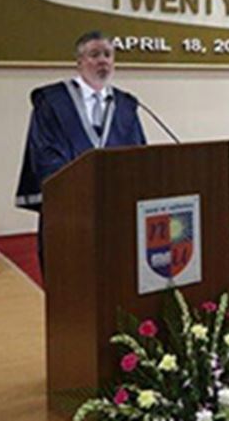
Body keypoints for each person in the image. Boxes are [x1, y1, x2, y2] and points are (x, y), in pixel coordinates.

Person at [17, 31, 148, 273]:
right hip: (70, 209)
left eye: (108, 55)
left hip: (115, 208)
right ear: (79, 62)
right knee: (71, 274)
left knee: (116, 272)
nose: (103, 61)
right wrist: (82, 186)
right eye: (94, 54)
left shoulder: (126, 105)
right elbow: (44, 153)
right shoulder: (53, 101)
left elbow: (138, 153)